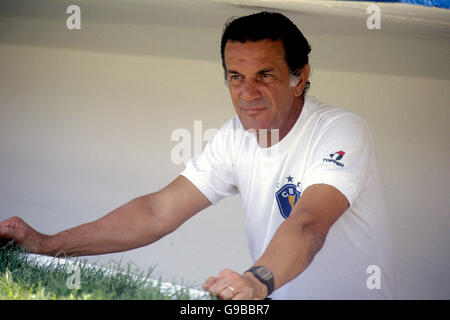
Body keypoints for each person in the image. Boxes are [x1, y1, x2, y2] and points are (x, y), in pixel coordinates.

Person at [0, 12, 396, 300]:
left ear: (300, 76)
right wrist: (47, 243)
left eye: (265, 75)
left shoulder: (341, 130)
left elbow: (309, 223)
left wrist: (256, 280)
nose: (248, 92)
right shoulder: (234, 137)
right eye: (235, 76)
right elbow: (158, 211)